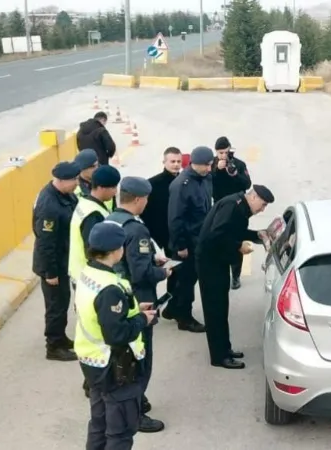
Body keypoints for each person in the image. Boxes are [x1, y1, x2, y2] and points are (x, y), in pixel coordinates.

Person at [74, 221, 159, 450]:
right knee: (120, 432)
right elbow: (117, 334)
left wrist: (134, 310)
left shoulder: (88, 273)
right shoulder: (110, 287)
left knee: (100, 424)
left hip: (93, 363)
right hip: (115, 367)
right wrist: (143, 319)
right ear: (116, 250)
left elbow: (101, 315)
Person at [107, 177, 169, 433]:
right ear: (138, 199)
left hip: (118, 295)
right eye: (146, 199)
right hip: (138, 300)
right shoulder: (137, 229)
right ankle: (136, 413)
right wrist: (163, 273)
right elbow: (141, 272)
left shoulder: (111, 219)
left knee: (125, 355)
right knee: (140, 358)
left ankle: (135, 401)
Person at [196, 185, 275, 369]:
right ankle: (219, 356)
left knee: (222, 308)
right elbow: (216, 235)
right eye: (262, 205)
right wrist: (238, 246)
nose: (262, 210)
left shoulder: (240, 206)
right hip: (210, 264)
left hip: (218, 262)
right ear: (253, 196)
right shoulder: (233, 206)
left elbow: (232, 232)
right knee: (215, 311)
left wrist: (258, 235)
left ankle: (225, 349)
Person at [32, 161, 80, 362]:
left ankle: (61, 338)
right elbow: (46, 243)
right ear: (60, 181)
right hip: (53, 264)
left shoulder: (64, 195)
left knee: (62, 301)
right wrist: (50, 273)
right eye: (73, 180)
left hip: (64, 259)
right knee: (56, 306)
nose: (77, 183)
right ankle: (53, 345)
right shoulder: (49, 206)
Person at [164, 146, 214, 334]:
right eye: (206, 166)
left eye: (210, 165)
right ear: (195, 164)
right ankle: (184, 318)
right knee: (186, 281)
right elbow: (175, 218)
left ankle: (172, 308)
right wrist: (180, 245)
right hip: (186, 242)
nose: (209, 169)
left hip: (200, 239)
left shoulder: (205, 178)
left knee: (188, 279)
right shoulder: (181, 185)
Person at [211, 136, 253, 290]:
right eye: (220, 153)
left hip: (238, 209)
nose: (223, 156)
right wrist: (217, 170)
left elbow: (247, 184)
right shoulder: (213, 164)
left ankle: (235, 276)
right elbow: (208, 184)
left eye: (225, 152)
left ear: (230, 150)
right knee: (219, 240)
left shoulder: (239, 164)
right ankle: (220, 273)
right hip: (219, 208)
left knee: (237, 241)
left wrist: (235, 174)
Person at [69, 165, 121, 285]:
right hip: (89, 278)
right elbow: (94, 251)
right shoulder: (93, 215)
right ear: (101, 188)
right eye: (113, 187)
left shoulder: (85, 203)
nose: (115, 192)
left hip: (81, 273)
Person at [142, 147, 183, 252]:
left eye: (178, 161)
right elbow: (145, 211)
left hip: (179, 234)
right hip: (158, 233)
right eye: (172, 161)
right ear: (164, 162)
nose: (176, 164)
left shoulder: (185, 182)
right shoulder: (152, 184)